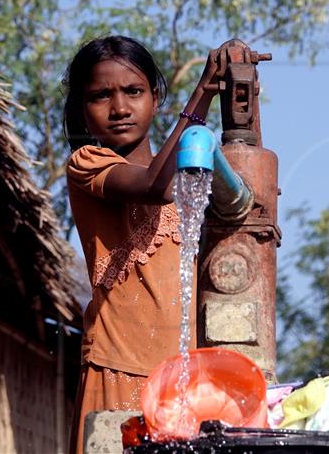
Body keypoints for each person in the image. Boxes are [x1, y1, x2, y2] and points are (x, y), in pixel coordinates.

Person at [63, 35, 221, 453]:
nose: (119, 108)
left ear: (154, 97)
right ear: (83, 108)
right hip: (117, 369)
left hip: (184, 380)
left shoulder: (190, 178)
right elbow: (154, 185)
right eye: (101, 95)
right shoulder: (88, 164)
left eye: (133, 91)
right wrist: (204, 92)